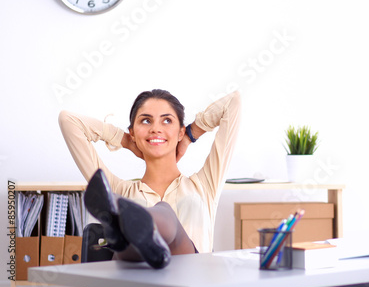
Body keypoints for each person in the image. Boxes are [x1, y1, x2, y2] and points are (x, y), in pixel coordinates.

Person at [58, 90, 241, 268]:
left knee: (164, 211)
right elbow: (68, 121)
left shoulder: (205, 184)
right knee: (132, 224)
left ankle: (125, 224)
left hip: (191, 281)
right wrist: (126, 141)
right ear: (133, 132)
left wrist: (190, 135)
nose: (155, 129)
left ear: (179, 131)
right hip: (136, 282)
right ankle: (129, 231)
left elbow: (233, 102)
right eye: (146, 121)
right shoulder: (120, 189)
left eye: (167, 121)